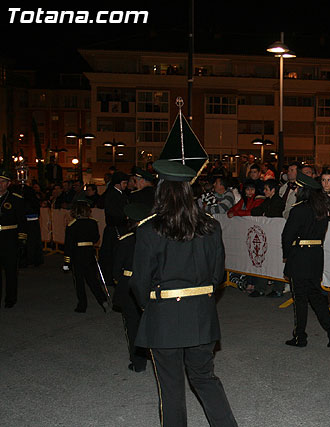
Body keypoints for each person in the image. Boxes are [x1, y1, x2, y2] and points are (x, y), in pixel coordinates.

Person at [130, 160, 237, 426]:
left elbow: (139, 283)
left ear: (161, 190)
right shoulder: (210, 226)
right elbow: (217, 276)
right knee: (204, 378)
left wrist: (152, 305)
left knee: (171, 386)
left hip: (164, 314)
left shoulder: (148, 229)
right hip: (201, 313)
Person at [281, 173, 330, 348]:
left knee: (299, 298)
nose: (297, 191)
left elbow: (287, 235)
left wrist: (286, 254)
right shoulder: (321, 209)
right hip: (316, 255)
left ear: (304, 191)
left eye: (299, 188)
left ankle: (300, 336)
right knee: (315, 296)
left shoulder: (298, 209)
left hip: (300, 256)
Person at [113, 202, 151, 373]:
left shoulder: (125, 240)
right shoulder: (154, 237)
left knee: (132, 324)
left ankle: (138, 362)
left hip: (129, 286)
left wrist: (117, 280)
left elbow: (115, 268)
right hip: (150, 284)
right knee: (152, 323)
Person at [63, 197, 109, 313]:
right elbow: (96, 238)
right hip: (89, 253)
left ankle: (82, 305)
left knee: (79, 281)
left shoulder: (72, 225)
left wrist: (66, 262)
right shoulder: (93, 223)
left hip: (77, 254)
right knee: (93, 279)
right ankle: (102, 300)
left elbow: (68, 245)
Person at [0, 170, 27, 308]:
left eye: (3, 182)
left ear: (8, 183)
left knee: (11, 270)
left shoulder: (15, 199)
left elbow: (22, 221)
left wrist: (22, 239)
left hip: (9, 238)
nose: (0, 184)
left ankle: (10, 298)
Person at [99, 171, 129, 288]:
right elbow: (113, 212)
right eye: (124, 183)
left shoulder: (120, 194)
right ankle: (110, 277)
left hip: (117, 227)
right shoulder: (112, 194)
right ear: (118, 183)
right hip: (115, 228)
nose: (126, 185)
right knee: (112, 254)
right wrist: (125, 216)